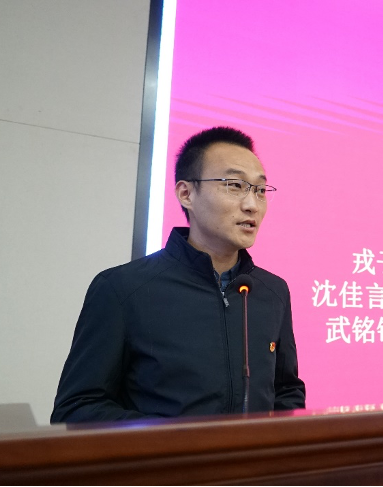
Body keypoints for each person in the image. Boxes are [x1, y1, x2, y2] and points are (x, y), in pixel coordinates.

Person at [51, 126, 305, 423]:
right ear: (186, 194)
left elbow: (286, 391)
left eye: (260, 190)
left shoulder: (272, 291)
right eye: (235, 185)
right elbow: (76, 408)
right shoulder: (122, 289)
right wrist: (170, 436)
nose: (252, 205)